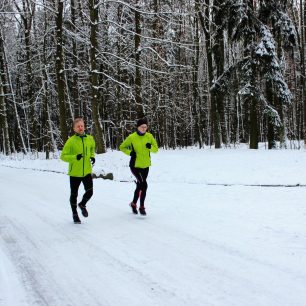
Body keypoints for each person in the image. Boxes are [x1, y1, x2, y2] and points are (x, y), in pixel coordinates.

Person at [119, 118, 158, 215]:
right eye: (142, 127)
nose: (144, 128)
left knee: (140, 185)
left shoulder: (149, 136)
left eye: (146, 127)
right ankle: (142, 207)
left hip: (146, 165)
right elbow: (122, 147)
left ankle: (133, 203)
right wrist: (130, 152)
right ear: (138, 127)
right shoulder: (132, 137)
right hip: (135, 166)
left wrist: (150, 147)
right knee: (144, 184)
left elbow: (156, 149)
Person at [61, 118, 96, 224]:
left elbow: (91, 149)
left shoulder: (90, 139)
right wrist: (75, 157)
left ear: (84, 126)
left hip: (86, 171)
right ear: (74, 129)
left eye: (82, 126)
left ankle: (82, 204)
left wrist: (92, 156)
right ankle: (75, 214)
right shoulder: (71, 141)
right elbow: (63, 156)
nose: (80, 128)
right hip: (75, 173)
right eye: (78, 126)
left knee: (90, 192)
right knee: (74, 194)